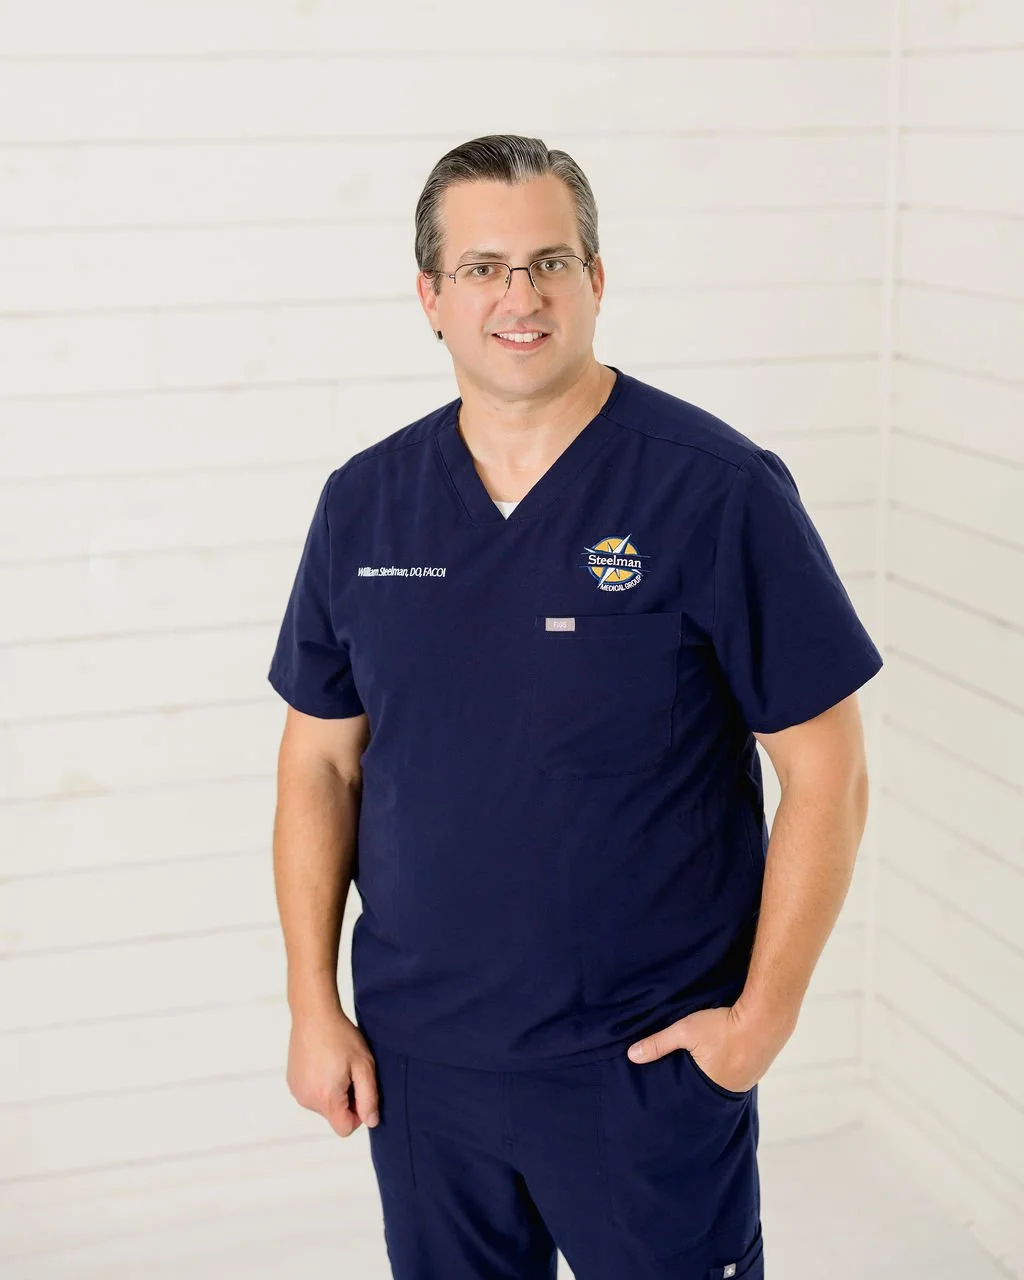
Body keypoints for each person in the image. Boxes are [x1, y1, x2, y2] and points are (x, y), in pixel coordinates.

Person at [267, 133, 883, 1280]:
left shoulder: (714, 489)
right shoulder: (363, 506)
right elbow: (320, 766)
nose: (520, 295)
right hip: (422, 1064)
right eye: (484, 267)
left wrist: (758, 1025)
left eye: (551, 262)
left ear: (596, 281)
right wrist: (314, 1001)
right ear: (430, 296)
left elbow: (828, 773)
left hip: (640, 1063)